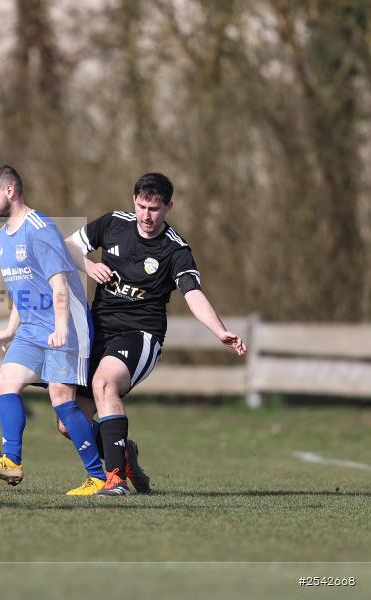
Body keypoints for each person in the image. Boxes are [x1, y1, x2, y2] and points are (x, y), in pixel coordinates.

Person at [63, 172, 247, 496]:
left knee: (104, 384)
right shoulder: (113, 224)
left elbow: (192, 293)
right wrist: (89, 266)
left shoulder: (175, 250)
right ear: (134, 201)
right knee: (69, 423)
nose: (147, 216)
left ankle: (115, 478)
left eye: (155, 209)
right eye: (142, 206)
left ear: (169, 207)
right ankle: (125, 455)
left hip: (140, 335)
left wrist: (220, 331)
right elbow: (68, 247)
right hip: (99, 331)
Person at [0, 165, 106, 495]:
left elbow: (59, 285)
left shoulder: (40, 229)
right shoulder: (1, 238)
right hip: (31, 329)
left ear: (10, 192)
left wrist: (61, 329)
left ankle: (99, 476)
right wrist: (9, 328)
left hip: (68, 326)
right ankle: (12, 461)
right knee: (6, 381)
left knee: (62, 401)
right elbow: (24, 289)